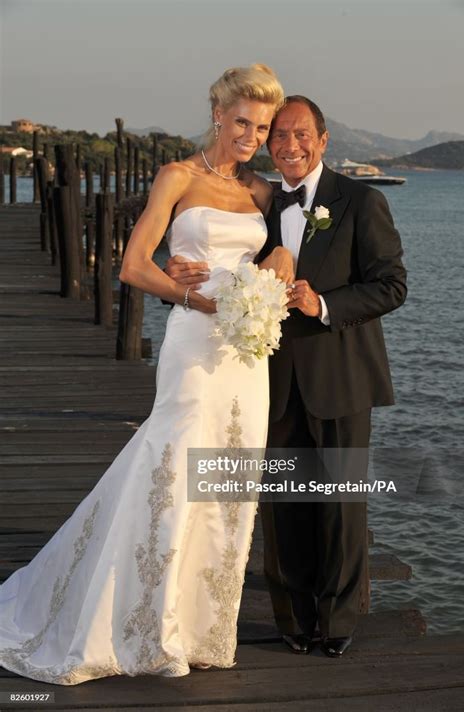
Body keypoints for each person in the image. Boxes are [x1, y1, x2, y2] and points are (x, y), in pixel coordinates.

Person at [0, 64, 286, 685]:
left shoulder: (264, 192)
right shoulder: (175, 177)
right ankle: (150, 629)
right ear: (217, 114)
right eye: (243, 121)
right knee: (174, 465)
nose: (252, 136)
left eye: (261, 127)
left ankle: (205, 628)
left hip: (247, 352)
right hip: (194, 341)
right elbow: (134, 266)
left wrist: (283, 258)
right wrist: (193, 296)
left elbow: (291, 245)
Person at [168, 95, 407, 659]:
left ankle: (338, 621)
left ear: (324, 141)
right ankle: (293, 620)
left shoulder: (360, 201)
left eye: (302, 135)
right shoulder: (263, 204)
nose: (290, 145)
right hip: (265, 375)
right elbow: (214, 253)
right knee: (282, 505)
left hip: (341, 376)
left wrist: (322, 304)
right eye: (280, 136)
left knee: (341, 504)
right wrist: (172, 264)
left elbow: (392, 285)